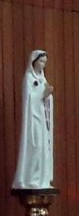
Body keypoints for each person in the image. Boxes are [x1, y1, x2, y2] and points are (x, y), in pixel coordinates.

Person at [12, 50, 54, 189]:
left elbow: (46, 98)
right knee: (35, 146)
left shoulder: (43, 79)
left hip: (42, 120)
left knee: (43, 148)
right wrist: (42, 95)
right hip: (33, 119)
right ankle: (31, 178)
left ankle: (42, 178)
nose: (43, 65)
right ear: (34, 61)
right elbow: (29, 99)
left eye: (45, 63)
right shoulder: (29, 78)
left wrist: (48, 95)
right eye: (41, 61)